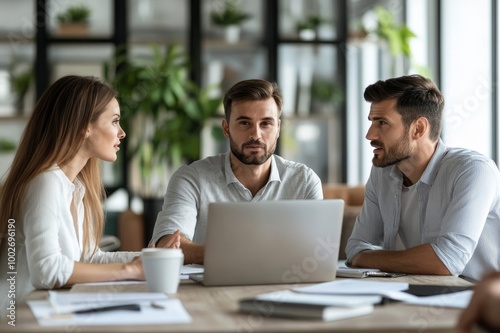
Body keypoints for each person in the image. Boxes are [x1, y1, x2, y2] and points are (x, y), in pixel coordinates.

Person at [0, 75, 180, 318]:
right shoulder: (45, 183)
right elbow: (46, 271)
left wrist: (150, 258)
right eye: (115, 121)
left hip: (49, 313)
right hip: (19, 319)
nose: (122, 133)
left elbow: (88, 258)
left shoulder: (74, 188)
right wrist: (129, 270)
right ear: (84, 125)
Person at [345, 74, 500, 281]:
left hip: (474, 303)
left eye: (382, 123)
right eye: (372, 121)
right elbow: (355, 247)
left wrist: (368, 258)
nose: (370, 135)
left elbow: (446, 261)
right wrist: (366, 256)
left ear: (418, 129)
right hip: (407, 293)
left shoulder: (473, 171)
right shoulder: (383, 171)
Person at [151, 79, 323, 264]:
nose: (256, 135)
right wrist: (235, 256)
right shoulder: (192, 179)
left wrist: (228, 255)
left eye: (266, 124)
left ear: (278, 128)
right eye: (244, 123)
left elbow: (319, 251)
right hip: (209, 290)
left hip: (284, 285)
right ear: (226, 128)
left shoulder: (304, 181)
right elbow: (166, 245)